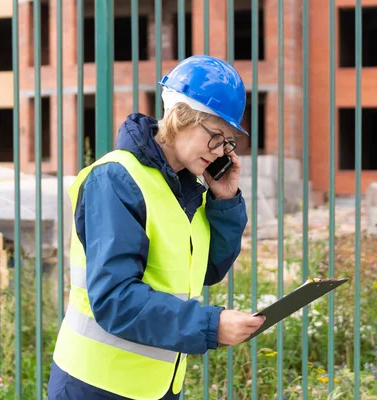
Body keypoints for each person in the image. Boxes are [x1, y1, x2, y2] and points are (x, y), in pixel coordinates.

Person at [47, 55, 266, 400]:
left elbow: (207, 269)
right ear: (180, 117)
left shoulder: (184, 188)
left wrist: (224, 202)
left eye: (228, 142)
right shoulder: (116, 179)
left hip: (155, 387)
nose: (222, 151)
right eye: (216, 136)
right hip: (95, 384)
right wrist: (212, 325)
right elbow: (115, 298)